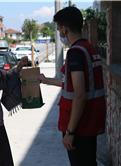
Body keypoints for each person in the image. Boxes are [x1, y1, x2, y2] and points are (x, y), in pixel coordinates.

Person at [37, 7, 106, 166]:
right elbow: (73, 84)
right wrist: (46, 80)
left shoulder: (75, 53)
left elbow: (80, 94)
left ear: (64, 29)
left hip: (79, 127)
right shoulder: (90, 49)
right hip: (91, 121)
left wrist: (70, 131)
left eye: (58, 29)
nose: (60, 34)